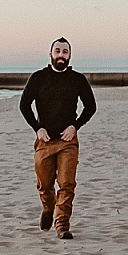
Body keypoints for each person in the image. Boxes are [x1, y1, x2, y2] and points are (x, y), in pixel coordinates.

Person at [18, 37, 96, 240]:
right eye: (58, 51)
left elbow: (91, 107)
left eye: (65, 52)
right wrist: (37, 128)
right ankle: (47, 207)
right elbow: (24, 105)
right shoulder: (38, 78)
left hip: (68, 142)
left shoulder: (77, 79)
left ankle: (62, 224)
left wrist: (75, 126)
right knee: (44, 185)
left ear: (70, 55)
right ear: (50, 54)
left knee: (66, 183)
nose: (61, 55)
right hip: (44, 141)